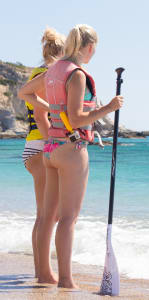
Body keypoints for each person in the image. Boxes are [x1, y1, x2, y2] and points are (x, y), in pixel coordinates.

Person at [18, 24, 124, 288]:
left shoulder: (53, 69)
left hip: (50, 150)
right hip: (72, 149)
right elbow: (77, 118)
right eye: (95, 48)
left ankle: (45, 274)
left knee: (47, 216)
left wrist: (52, 110)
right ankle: (65, 280)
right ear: (89, 47)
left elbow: (25, 93)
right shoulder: (76, 74)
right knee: (68, 218)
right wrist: (109, 107)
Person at [17, 27, 64, 278]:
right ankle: (43, 272)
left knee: (46, 214)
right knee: (48, 215)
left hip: (34, 146)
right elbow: (40, 114)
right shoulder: (48, 76)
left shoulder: (38, 74)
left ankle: (41, 269)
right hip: (40, 146)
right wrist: (53, 146)